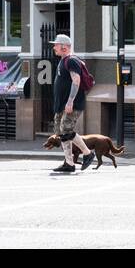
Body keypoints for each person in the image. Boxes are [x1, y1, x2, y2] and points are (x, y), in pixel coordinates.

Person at [50, 34, 95, 173]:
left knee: (66, 130)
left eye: (56, 45)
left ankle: (88, 153)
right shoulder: (63, 61)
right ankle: (69, 163)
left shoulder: (71, 61)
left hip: (71, 104)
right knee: (61, 132)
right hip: (61, 104)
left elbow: (76, 81)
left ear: (64, 47)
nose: (54, 47)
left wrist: (70, 102)